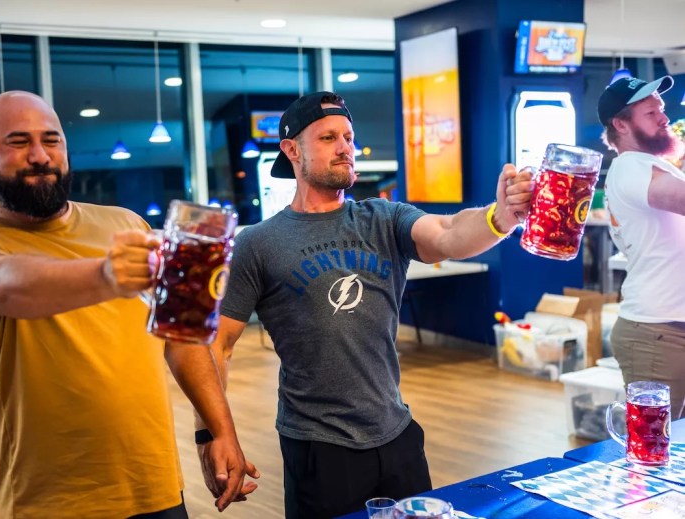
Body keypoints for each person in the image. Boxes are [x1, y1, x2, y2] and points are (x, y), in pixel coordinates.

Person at [193, 91, 533, 518]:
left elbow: (448, 232)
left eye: (349, 137)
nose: (345, 148)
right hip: (319, 447)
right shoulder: (259, 243)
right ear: (291, 150)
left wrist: (500, 217)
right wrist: (211, 434)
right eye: (328, 138)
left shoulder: (383, 220)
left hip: (397, 432)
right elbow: (215, 346)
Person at [0, 91, 258, 519]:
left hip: (155, 487)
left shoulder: (126, 223)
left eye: (51, 140)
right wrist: (105, 276)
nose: (40, 156)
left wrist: (216, 431)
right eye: (18, 142)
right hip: (51, 501)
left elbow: (181, 337)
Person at [599, 75, 685, 419]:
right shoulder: (629, 167)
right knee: (655, 441)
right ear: (620, 124)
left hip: (668, 324)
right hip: (658, 332)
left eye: (661, 109)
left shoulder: (652, 166)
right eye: (651, 113)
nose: (664, 118)